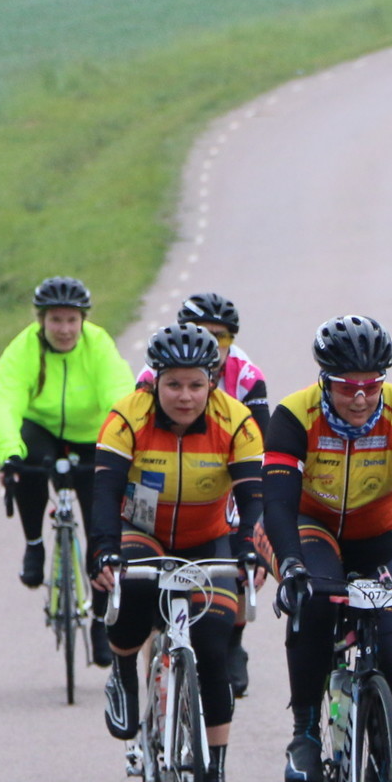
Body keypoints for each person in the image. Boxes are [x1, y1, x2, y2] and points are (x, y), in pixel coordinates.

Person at [90, 324, 264, 782]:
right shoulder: (127, 418)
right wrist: (103, 550)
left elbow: (253, 499)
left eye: (195, 384)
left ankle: (214, 780)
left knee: (213, 648)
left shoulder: (237, 421)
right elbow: (104, 494)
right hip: (142, 532)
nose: (185, 396)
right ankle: (124, 670)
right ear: (155, 383)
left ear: (212, 381)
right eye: (173, 385)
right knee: (136, 589)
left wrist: (251, 547)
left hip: (207, 539)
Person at [262, 316, 392, 782]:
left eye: (371, 386)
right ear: (324, 381)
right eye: (346, 388)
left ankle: (382, 761)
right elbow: (278, 503)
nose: (360, 398)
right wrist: (290, 565)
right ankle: (305, 734)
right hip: (312, 527)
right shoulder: (293, 416)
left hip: (382, 532)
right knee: (313, 600)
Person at [0, 275, 135, 665]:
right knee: (26, 464)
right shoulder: (23, 349)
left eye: (71, 320)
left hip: (90, 434)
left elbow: (119, 394)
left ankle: (100, 621)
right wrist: (9, 455)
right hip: (43, 430)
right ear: (41, 321)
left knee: (101, 527)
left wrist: (126, 446)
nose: (64, 329)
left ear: (83, 320)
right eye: (55, 320)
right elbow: (2, 402)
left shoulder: (98, 345)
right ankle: (34, 544)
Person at [136, 292, 271, 699]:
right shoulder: (153, 373)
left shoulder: (247, 377)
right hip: (161, 470)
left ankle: (232, 641)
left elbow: (259, 448)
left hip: (222, 466)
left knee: (240, 542)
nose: (213, 343)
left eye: (222, 337)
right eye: (203, 332)